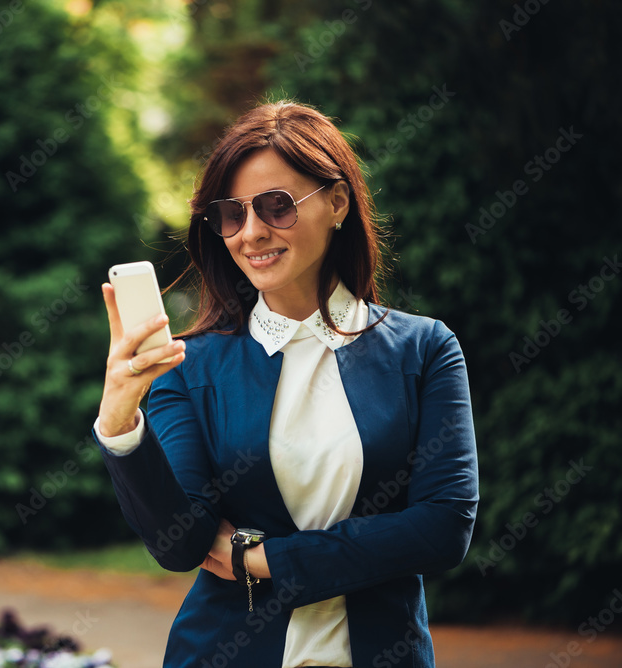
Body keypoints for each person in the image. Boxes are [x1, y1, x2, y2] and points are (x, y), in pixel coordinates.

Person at [91, 100, 479, 668]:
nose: (251, 233)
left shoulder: (424, 349)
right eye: (231, 214)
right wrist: (120, 423)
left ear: (337, 202)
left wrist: (263, 559)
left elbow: (443, 527)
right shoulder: (192, 365)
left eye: (277, 207)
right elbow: (181, 544)